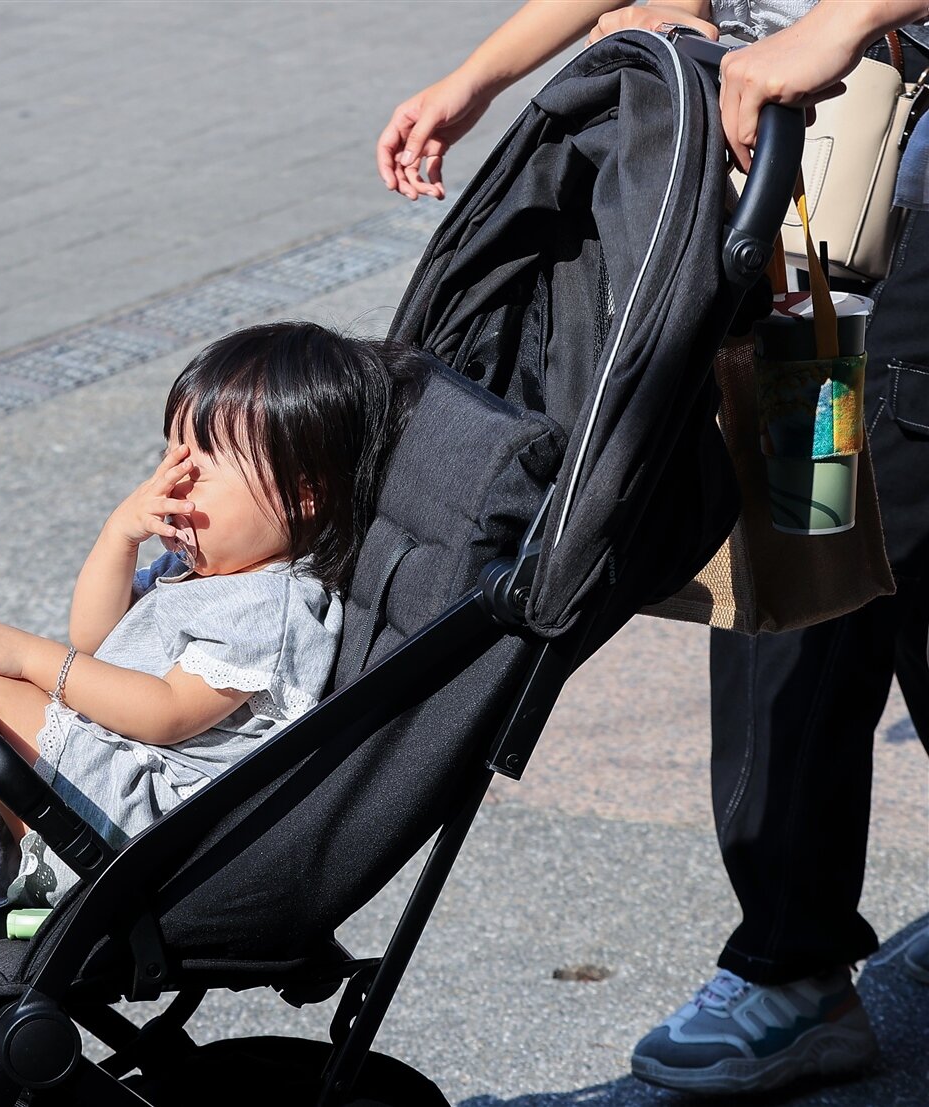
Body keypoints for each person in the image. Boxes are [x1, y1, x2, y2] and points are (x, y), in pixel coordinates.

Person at [377, 0, 929, 1096]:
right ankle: (789, 958)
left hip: (880, 169)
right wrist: (480, 80)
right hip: (796, 203)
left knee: (890, 530)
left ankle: (790, 966)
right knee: (802, 542)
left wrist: (842, 22)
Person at [0, 321, 414, 952]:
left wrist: (31, 658)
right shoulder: (201, 570)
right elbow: (95, 638)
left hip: (142, 827)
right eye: (170, 453)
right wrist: (120, 533)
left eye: (204, 463)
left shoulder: (274, 605)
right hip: (106, 781)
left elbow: (166, 713)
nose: (173, 481)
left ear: (302, 495)